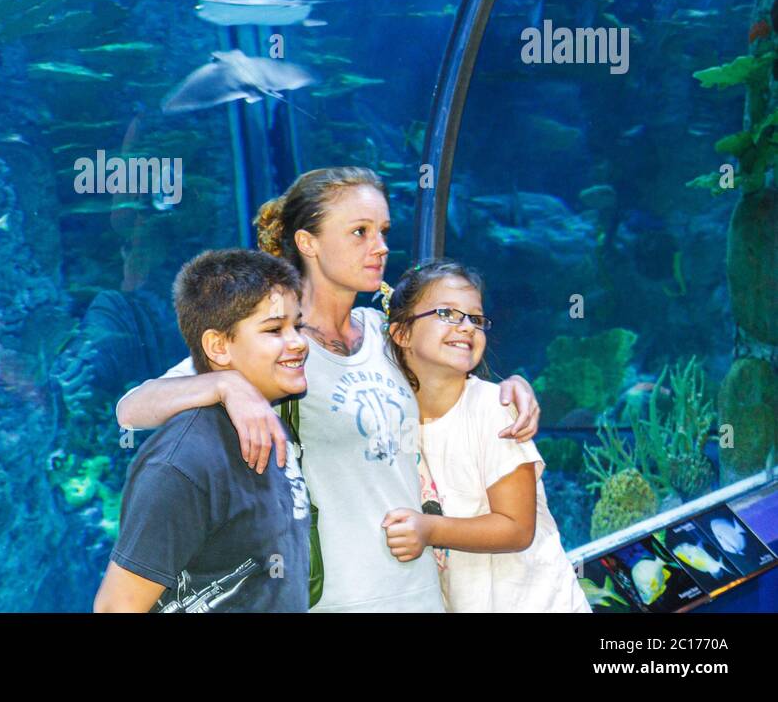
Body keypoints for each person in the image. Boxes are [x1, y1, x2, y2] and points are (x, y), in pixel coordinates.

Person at [116, 167, 540, 612]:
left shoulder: (385, 333)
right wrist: (224, 385)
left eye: (383, 231)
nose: (380, 247)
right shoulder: (277, 348)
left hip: (421, 596)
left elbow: (453, 391)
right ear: (308, 242)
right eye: (359, 232)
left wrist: (509, 390)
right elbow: (132, 408)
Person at [93, 249, 311, 612]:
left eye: (298, 326)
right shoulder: (184, 462)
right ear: (218, 347)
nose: (299, 342)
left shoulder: (267, 421)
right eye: (274, 329)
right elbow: (117, 608)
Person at [381, 259, 590, 612]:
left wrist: (428, 530)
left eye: (475, 319)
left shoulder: (493, 408)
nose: (466, 327)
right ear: (401, 333)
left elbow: (516, 528)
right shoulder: (393, 418)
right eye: (447, 313)